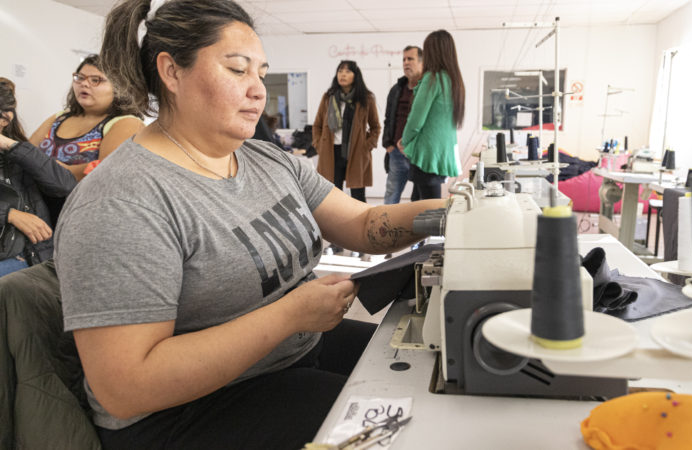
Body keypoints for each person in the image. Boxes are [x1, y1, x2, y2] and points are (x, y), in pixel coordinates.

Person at [55, 1, 444, 449]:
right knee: (404, 435)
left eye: (260, 72)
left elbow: (362, 221)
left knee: (427, 374)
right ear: (172, 72)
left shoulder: (265, 159)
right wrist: (288, 315)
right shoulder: (123, 202)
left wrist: (450, 211)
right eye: (238, 70)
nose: (258, 89)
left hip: (288, 355)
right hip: (186, 413)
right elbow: (126, 387)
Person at [28, 55, 143, 223]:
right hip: (36, 210)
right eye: (79, 78)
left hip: (81, 216)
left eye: (96, 80)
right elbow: (27, 152)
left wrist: (47, 168)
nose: (84, 84)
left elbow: (107, 170)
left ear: (119, 87)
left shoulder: (126, 122)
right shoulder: (58, 118)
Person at [0, 80, 76, 277]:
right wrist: (10, 215)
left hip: (25, 257)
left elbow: (66, 186)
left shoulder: (19, 155)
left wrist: (11, 145)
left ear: (5, 120)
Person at [398, 29, 465, 200]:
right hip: (443, 151)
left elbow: (416, 119)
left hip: (427, 153)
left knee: (428, 209)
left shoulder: (433, 78)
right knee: (421, 202)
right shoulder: (454, 80)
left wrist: (404, 141)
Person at [313, 60, 380, 204]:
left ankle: (361, 223)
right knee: (333, 195)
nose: (342, 74)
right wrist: (319, 145)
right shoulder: (328, 97)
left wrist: (366, 146)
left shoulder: (366, 98)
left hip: (356, 151)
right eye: (340, 71)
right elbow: (317, 125)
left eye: (348, 71)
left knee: (358, 196)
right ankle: (335, 225)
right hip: (331, 152)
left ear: (356, 76)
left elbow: (375, 127)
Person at [383, 45, 424, 205]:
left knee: (419, 198)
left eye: (410, 59)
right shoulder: (397, 89)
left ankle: (417, 230)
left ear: (422, 62)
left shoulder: (427, 89)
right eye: (404, 59)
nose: (406, 63)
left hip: (420, 153)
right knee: (391, 195)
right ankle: (386, 228)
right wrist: (388, 144)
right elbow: (388, 118)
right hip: (397, 153)